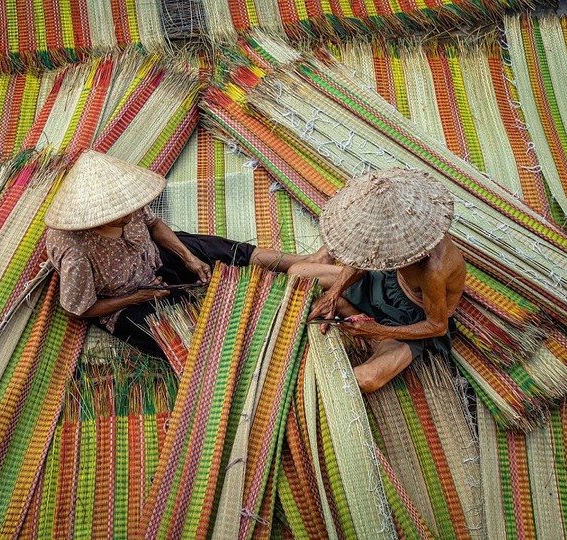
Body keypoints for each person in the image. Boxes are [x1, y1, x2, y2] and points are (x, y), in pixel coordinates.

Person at [44, 150, 329, 357]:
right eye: (120, 216)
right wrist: (136, 297)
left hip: (153, 257)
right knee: (185, 337)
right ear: (94, 217)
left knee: (221, 251)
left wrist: (187, 257)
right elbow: (78, 310)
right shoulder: (77, 252)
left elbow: (153, 225)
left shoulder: (126, 205)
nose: (131, 215)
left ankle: (304, 262)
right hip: (124, 302)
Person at [287, 168, 466, 393]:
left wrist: (379, 331)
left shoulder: (433, 269)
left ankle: (373, 334)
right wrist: (333, 294)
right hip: (387, 283)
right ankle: (346, 308)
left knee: (364, 380)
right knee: (298, 271)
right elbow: (366, 254)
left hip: (413, 318)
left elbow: (437, 326)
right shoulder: (391, 234)